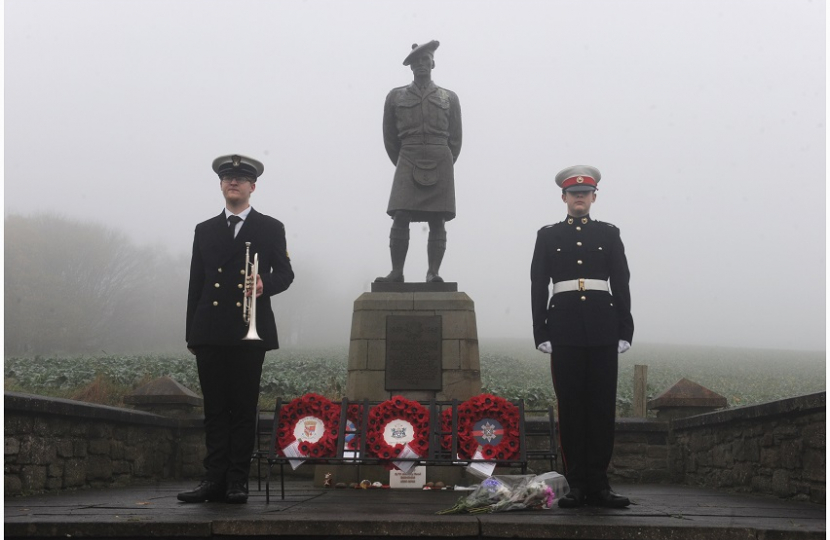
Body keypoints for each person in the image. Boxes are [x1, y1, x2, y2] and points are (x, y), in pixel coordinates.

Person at [178, 154, 294, 504]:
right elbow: (196, 283)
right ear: (221, 184)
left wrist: (264, 284)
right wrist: (192, 334)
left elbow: (286, 275)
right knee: (214, 409)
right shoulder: (205, 229)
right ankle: (213, 479)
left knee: (243, 409)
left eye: (240, 179)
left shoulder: (270, 227)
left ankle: (237, 481)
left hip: (248, 330)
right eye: (227, 177)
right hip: (210, 331)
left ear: (252, 187)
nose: (233, 182)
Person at [530, 165, 634, 508]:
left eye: (585, 193)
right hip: (564, 329)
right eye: (573, 193)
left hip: (603, 328)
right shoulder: (548, 235)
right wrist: (540, 330)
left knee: (602, 408)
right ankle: (576, 484)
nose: (579, 198)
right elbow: (537, 285)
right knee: (571, 408)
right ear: (564, 197)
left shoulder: (608, 234)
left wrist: (624, 327)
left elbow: (621, 281)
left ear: (593, 197)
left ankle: (599, 484)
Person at [375, 40, 462, 283]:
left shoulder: (449, 97)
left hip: (440, 157)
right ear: (411, 67)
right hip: (408, 155)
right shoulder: (395, 96)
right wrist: (403, 159)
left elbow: (456, 138)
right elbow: (389, 137)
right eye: (416, 62)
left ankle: (433, 272)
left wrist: (444, 159)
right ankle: (396, 272)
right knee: (400, 214)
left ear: (433, 63)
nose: (421, 65)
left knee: (438, 218)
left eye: (425, 60)